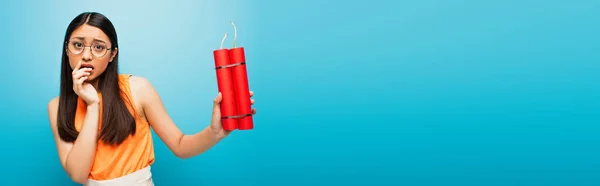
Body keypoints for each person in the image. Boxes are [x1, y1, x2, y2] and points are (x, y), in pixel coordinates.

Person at [47, 12, 256, 186]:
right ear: (67, 49)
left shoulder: (137, 88)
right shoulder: (57, 107)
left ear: (112, 55)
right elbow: (77, 174)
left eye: (99, 47)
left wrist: (214, 132)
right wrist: (92, 105)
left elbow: (181, 146)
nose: (86, 56)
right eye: (78, 45)